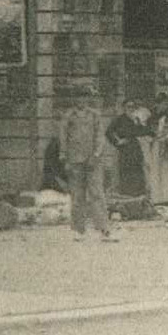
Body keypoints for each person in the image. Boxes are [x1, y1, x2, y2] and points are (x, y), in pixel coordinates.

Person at [59, 88, 116, 241]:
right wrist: (64, 158)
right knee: (77, 195)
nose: (81, 100)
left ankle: (104, 228)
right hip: (75, 160)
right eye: (78, 97)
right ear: (74, 99)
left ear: (88, 99)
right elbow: (63, 138)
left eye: (84, 97)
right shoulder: (68, 116)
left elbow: (100, 137)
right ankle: (79, 230)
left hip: (93, 161)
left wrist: (96, 155)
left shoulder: (95, 115)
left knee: (97, 193)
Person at [107, 98, 155, 212]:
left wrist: (152, 134)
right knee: (126, 174)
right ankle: (127, 204)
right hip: (125, 150)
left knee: (138, 174)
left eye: (132, 107)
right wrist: (117, 141)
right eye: (128, 107)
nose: (130, 109)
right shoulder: (118, 119)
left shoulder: (136, 119)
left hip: (136, 148)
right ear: (124, 108)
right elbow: (108, 132)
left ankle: (138, 203)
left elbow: (143, 131)